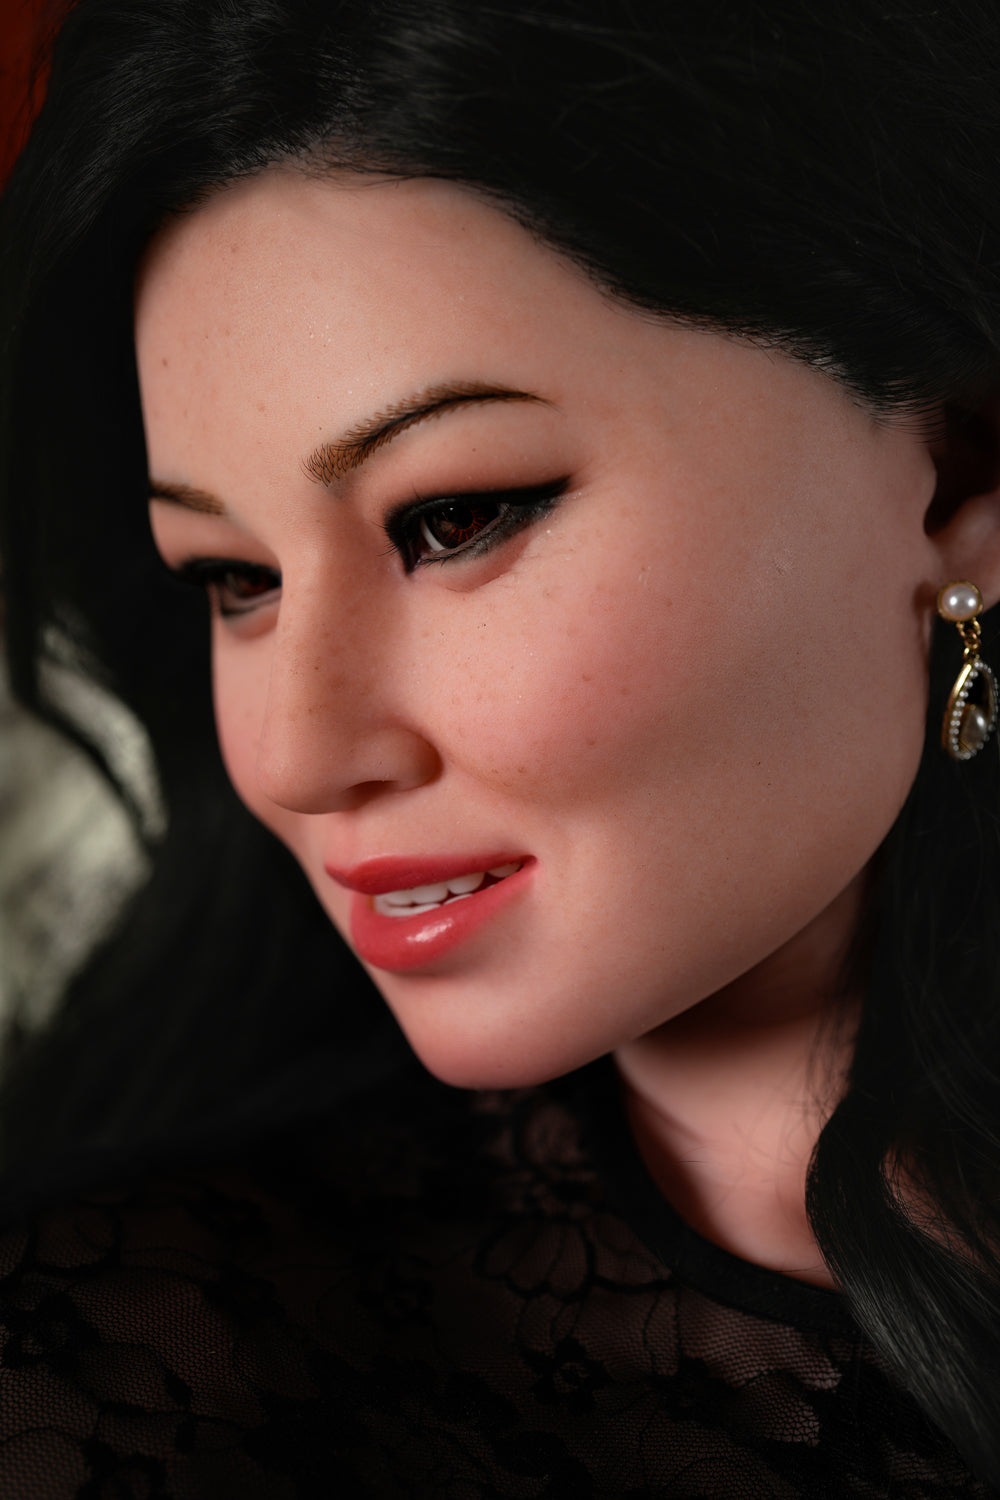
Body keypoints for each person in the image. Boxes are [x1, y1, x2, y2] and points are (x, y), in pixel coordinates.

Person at [1, 0, 999, 1493]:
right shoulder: (131, 1382)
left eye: (454, 517)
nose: (299, 755)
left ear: (957, 475)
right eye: (235, 580)